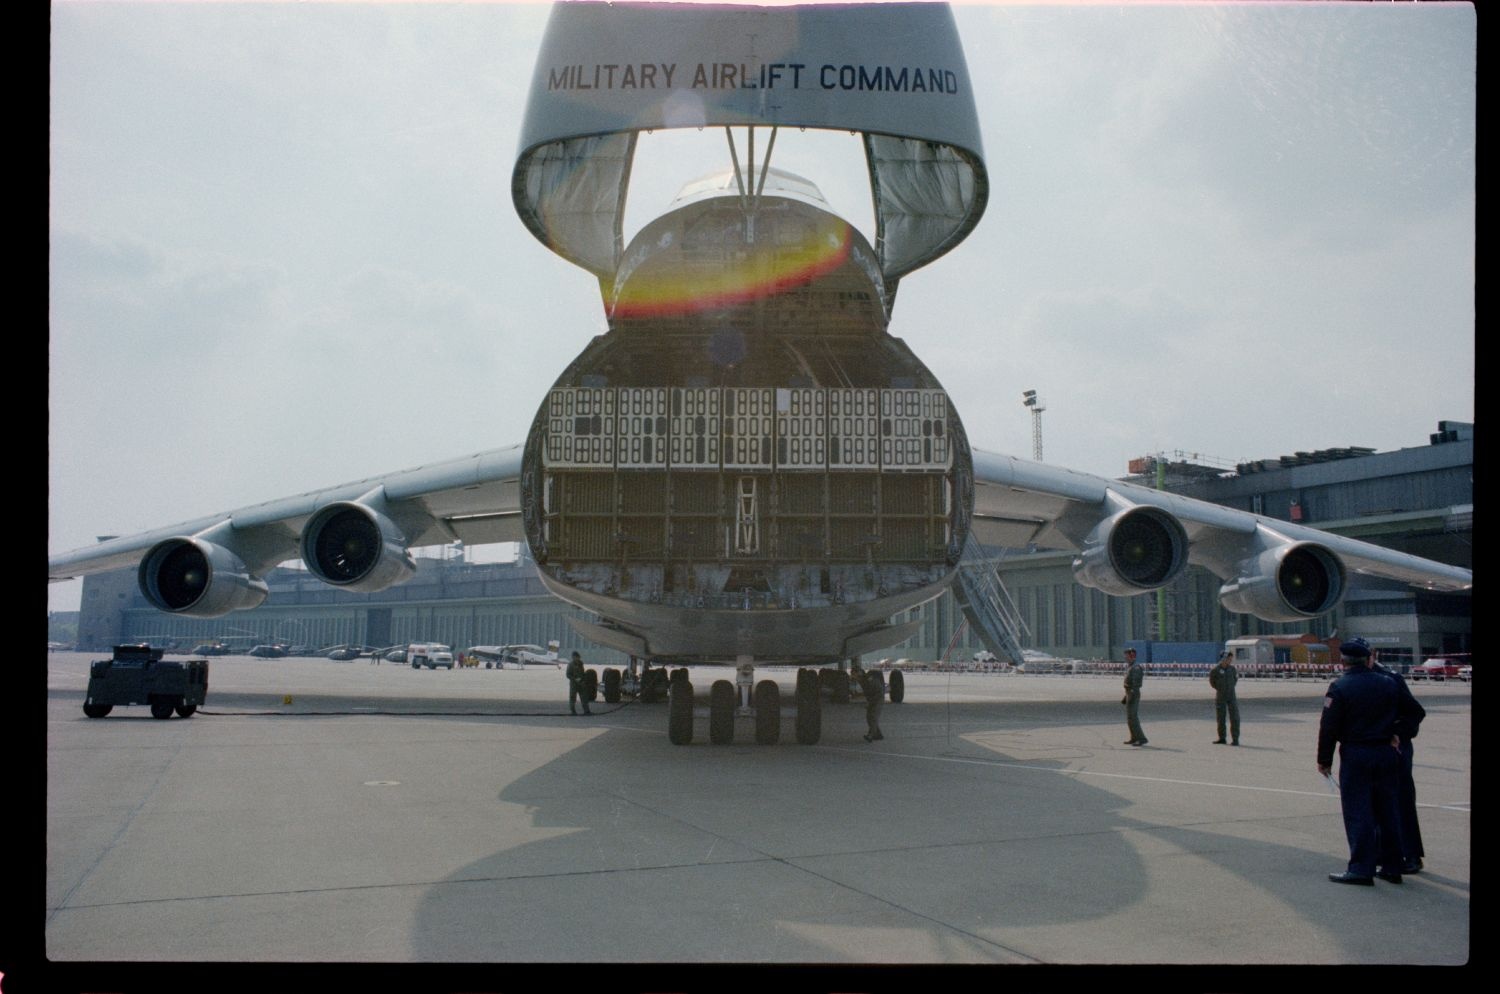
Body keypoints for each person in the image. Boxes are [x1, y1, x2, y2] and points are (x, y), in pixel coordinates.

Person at [1317, 637, 1405, 885]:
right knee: (1388, 811)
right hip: (1386, 754)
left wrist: (1324, 760)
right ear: (1367, 660)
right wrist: (1397, 733)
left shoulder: (1340, 687)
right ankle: (1392, 866)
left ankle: (1361, 868)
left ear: (1343, 661)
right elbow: (1408, 713)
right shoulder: (1388, 683)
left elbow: (1329, 728)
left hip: (1357, 755)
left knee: (1359, 812)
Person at [1366, 642, 1426, 874]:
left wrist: (1398, 734)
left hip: (1395, 750)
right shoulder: (1356, 679)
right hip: (1373, 750)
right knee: (1375, 803)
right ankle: (1384, 852)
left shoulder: (1391, 679)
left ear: (1374, 656)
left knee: (1401, 801)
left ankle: (1411, 855)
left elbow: (1415, 712)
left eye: (1365, 656)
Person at [1209, 650, 1240, 745]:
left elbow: (1235, 680)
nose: (1230, 661)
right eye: (1228, 659)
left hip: (1231, 696)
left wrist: (1229, 688)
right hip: (1221, 696)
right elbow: (1212, 682)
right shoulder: (1215, 670)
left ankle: (1235, 739)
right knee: (1221, 718)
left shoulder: (1232, 669)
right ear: (1223, 659)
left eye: (1231, 659)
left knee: (1235, 717)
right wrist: (1220, 688)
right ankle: (1222, 738)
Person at [851, 661, 883, 742]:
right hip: (872, 698)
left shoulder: (868, 679)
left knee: (872, 717)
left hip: (877, 698)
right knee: (870, 717)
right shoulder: (861, 679)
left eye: (854, 674)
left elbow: (872, 690)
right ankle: (878, 734)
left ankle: (871, 735)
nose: (853, 676)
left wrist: (858, 696)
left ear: (859, 673)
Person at [1122, 648, 1147, 746]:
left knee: (1133, 717)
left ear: (1131, 656)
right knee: (1129, 718)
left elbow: (1136, 684)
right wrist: (1126, 696)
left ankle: (1141, 738)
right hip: (1129, 693)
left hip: (1133, 694)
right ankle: (1134, 737)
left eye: (1127, 655)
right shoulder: (1130, 667)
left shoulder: (1136, 668)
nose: (1125, 657)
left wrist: (1131, 695)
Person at [566, 651, 592, 715]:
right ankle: (573, 711)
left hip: (581, 683)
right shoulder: (571, 664)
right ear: (573, 657)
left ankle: (586, 711)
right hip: (574, 684)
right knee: (572, 698)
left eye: (578, 658)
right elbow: (568, 675)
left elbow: (583, 673)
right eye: (576, 657)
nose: (577, 659)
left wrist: (583, 680)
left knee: (584, 698)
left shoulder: (581, 664)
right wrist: (575, 679)